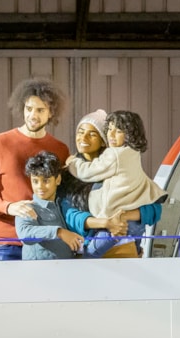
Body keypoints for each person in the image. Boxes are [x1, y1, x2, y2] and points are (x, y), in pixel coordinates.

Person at [0, 77, 70, 260]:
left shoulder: (60, 149)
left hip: (47, 244)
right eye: (29, 108)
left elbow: (65, 197)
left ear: (51, 113)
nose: (33, 115)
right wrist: (8, 207)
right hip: (6, 243)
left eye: (40, 110)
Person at [60, 109, 164, 257]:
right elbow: (68, 215)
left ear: (102, 140)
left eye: (92, 134)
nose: (83, 138)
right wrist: (106, 223)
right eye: (80, 132)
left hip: (122, 246)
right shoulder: (68, 175)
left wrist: (124, 217)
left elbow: (154, 209)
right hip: (85, 245)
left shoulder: (118, 161)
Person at [15, 152, 85, 260]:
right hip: (39, 272)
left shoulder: (64, 206)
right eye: (35, 181)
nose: (40, 187)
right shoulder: (28, 207)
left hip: (67, 270)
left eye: (46, 180)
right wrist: (59, 232)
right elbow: (25, 234)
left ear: (58, 180)